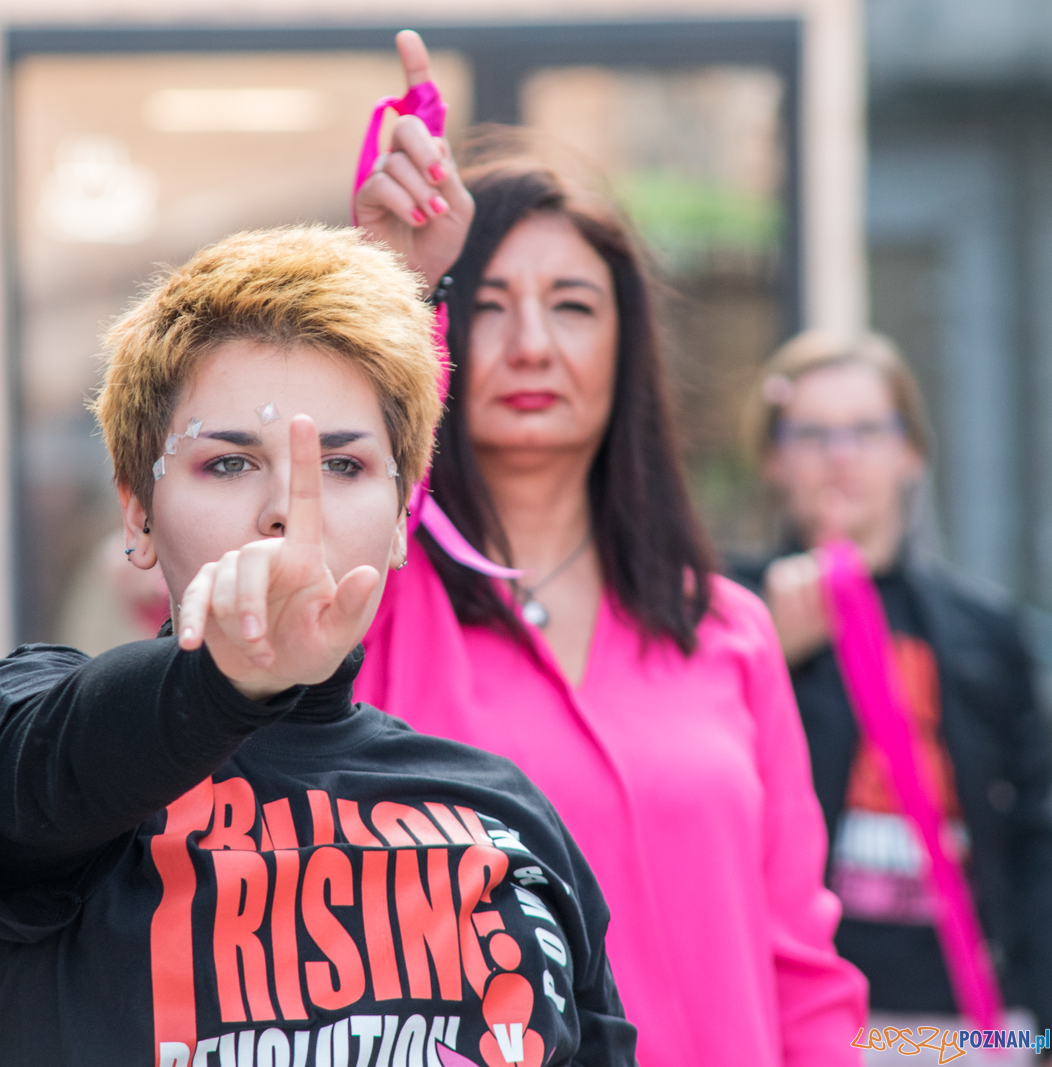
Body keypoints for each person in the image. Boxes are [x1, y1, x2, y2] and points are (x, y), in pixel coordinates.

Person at [0, 225, 639, 1066]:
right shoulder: (25, 738)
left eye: (341, 467)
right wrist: (229, 674)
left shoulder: (507, 815)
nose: (286, 509)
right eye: (229, 463)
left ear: (405, 513)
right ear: (137, 513)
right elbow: (45, 775)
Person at [348, 32, 867, 1067]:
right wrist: (388, 286)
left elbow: (800, 969)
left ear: (625, 348)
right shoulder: (372, 603)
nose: (531, 343)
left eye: (572, 306)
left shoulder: (730, 629)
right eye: (487, 304)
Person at [730, 331, 1052, 1064]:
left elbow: (1036, 833)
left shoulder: (983, 628)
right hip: (802, 1015)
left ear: (911, 452)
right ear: (775, 458)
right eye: (812, 434)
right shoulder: (728, 614)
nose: (841, 455)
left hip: (968, 1023)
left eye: (867, 430)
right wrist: (766, 649)